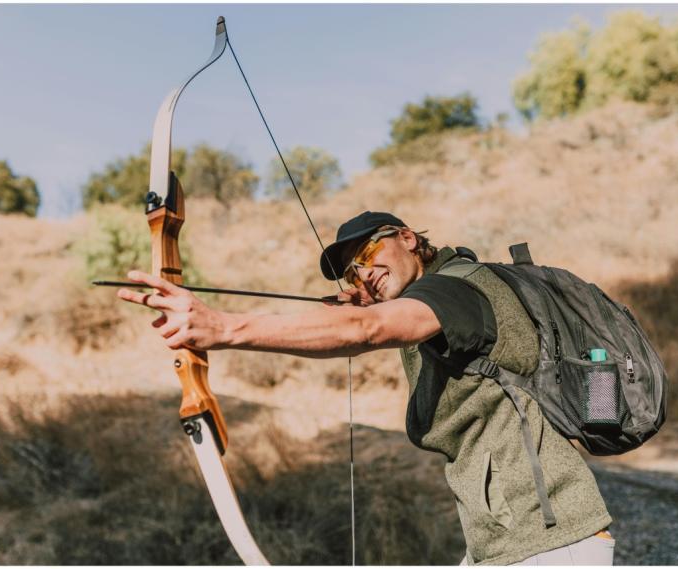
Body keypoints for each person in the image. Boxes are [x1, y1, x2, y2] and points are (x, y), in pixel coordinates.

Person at [118, 210, 615, 566]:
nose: (363, 273)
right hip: (505, 541)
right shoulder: (435, 299)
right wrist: (366, 313)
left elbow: (366, 332)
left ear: (406, 237)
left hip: (551, 543)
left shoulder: (455, 289)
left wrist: (224, 329)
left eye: (369, 253)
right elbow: (364, 329)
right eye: (352, 269)